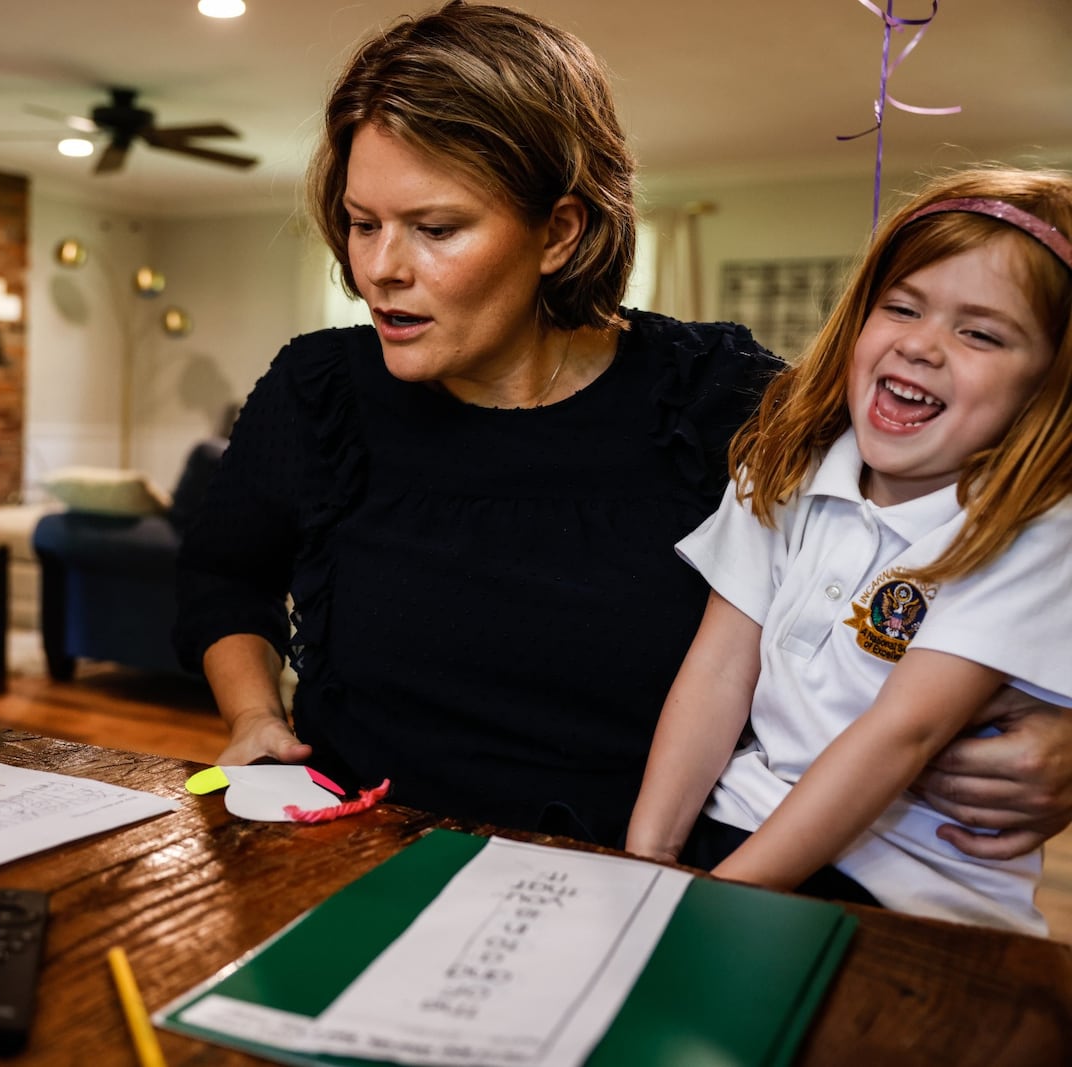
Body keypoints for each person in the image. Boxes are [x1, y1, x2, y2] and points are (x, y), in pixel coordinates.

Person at [173, 1, 1072, 854]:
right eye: (361, 224)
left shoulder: (726, 400)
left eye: (435, 228)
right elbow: (225, 578)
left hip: (636, 878)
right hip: (351, 852)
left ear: (559, 232)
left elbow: (991, 525)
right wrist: (255, 716)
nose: (377, 269)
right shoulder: (318, 387)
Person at [625, 168, 1072, 933]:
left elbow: (904, 734)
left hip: (912, 892)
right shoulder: (784, 463)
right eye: (901, 307)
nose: (922, 344)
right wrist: (644, 862)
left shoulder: (1035, 526)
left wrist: (706, 905)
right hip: (743, 829)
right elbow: (718, 667)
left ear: (1048, 387)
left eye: (981, 333)